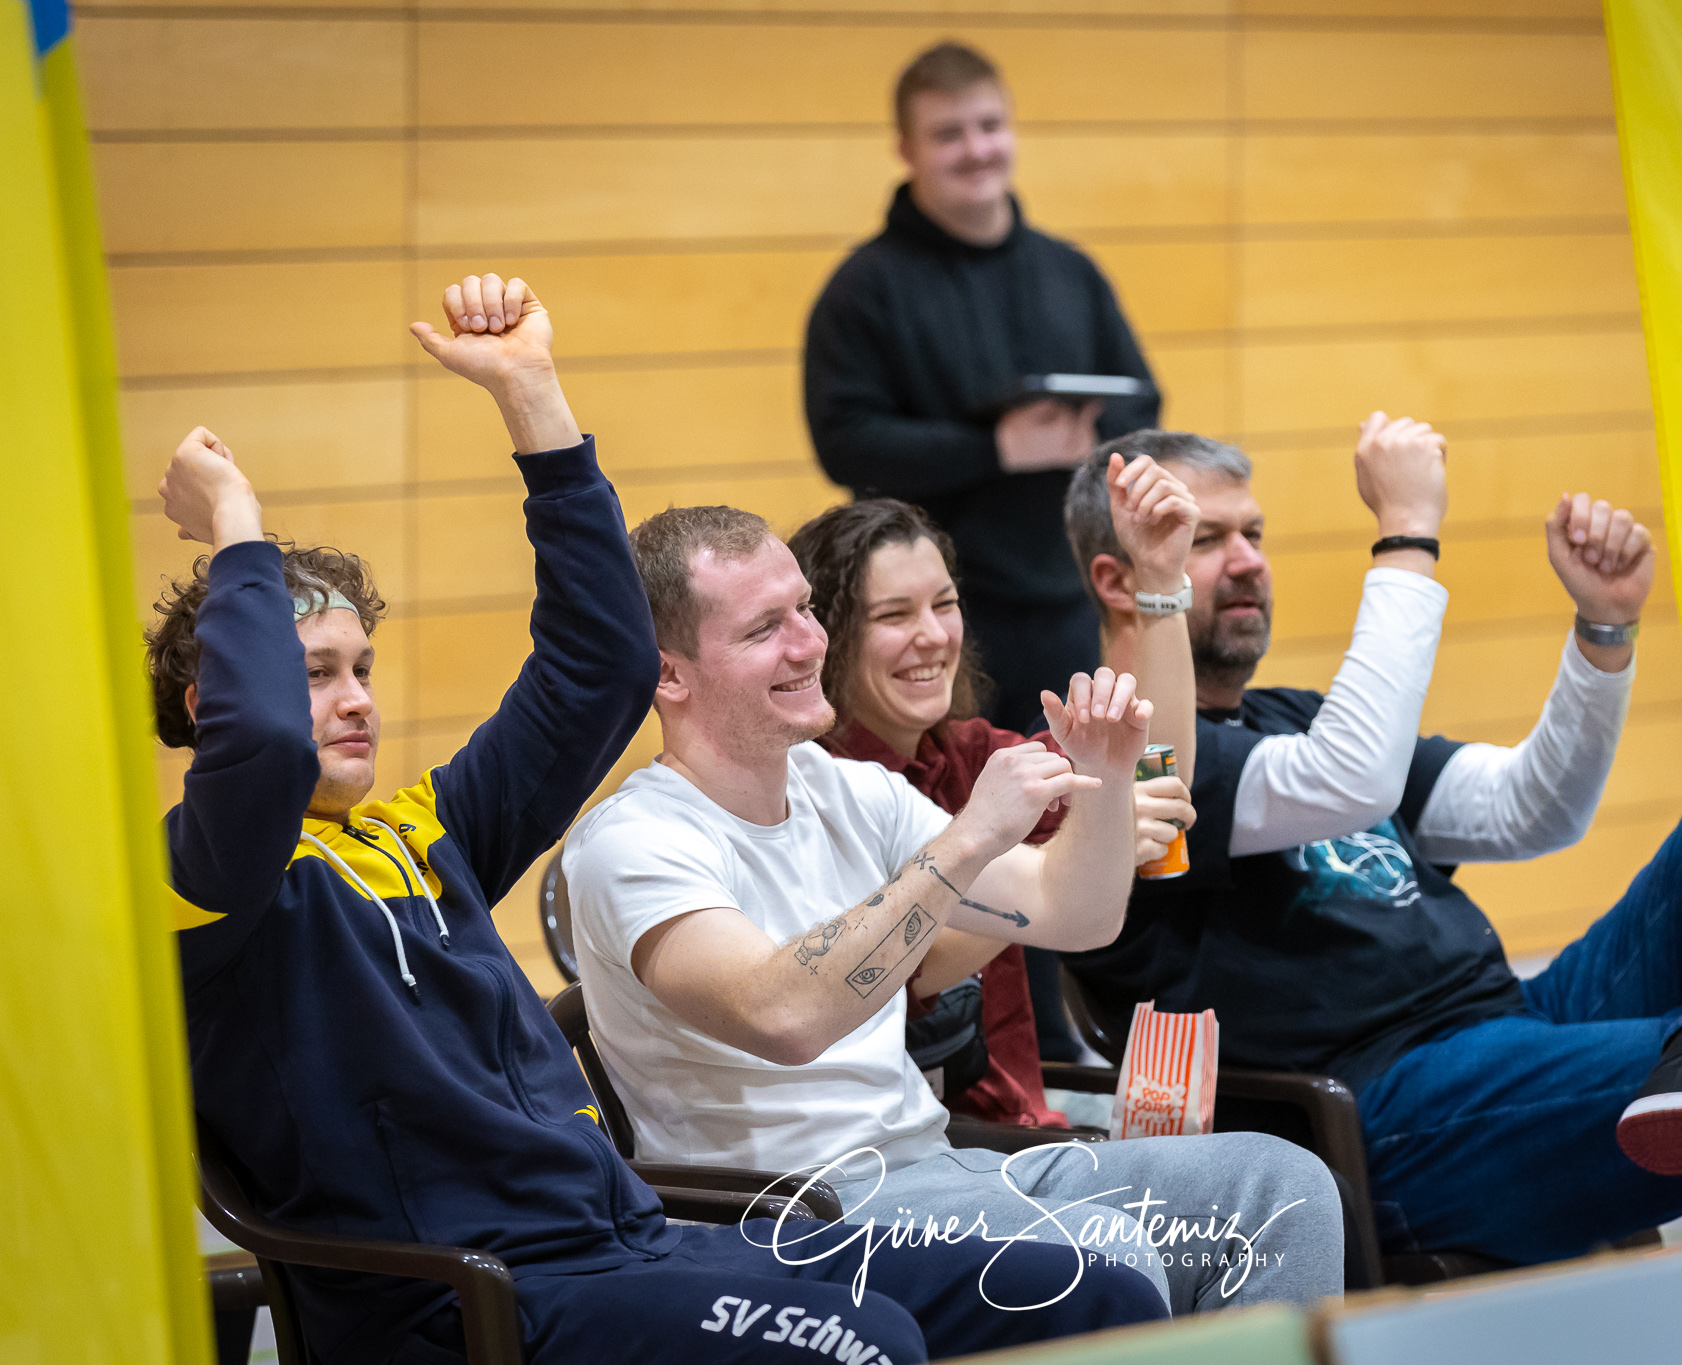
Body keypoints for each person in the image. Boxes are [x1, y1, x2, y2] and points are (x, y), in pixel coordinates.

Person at [155, 272, 1164, 1365]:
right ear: (215, 702)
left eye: (361, 668)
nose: (356, 699)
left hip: (624, 1244)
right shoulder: (206, 878)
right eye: (312, 673)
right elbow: (261, 751)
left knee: (1086, 1292)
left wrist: (530, 394)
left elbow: (604, 662)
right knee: (862, 1341)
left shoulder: (422, 833)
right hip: (463, 1304)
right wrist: (237, 528)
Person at [1057, 420, 1682, 1267]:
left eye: (1255, 533)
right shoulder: (1116, 759)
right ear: (1122, 577)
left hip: (1516, 1024)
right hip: (1394, 1109)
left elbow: (1529, 808)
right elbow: (1353, 778)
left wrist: (1604, 632)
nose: (1248, 560)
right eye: (1205, 539)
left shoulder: (1295, 718)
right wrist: (1407, 531)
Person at [562, 503, 1343, 1315]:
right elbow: (784, 1016)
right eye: (765, 628)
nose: (809, 642)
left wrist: (1108, 781)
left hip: (937, 1168)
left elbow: (1073, 914)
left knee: (1279, 1189)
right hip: (788, 1218)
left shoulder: (852, 789)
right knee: (1103, 1251)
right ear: (669, 673)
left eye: (805, 609)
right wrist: (968, 838)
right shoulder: (634, 840)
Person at [784, 456, 1198, 1129]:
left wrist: (1159, 582)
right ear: (825, 637)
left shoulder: (970, 752)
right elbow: (907, 972)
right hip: (907, 1146)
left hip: (1018, 1124)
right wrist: (1055, 861)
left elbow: (1155, 769)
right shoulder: (805, 785)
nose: (932, 635)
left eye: (944, 604)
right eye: (894, 614)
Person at [803, 40, 1159, 736]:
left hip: (1067, 601)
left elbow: (1143, 401)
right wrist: (995, 448)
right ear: (906, 149)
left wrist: (1083, 434)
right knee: (950, 796)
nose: (975, 150)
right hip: (929, 617)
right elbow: (845, 442)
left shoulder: (1070, 271)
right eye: (948, 134)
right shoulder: (862, 289)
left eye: (990, 126)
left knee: (1073, 788)